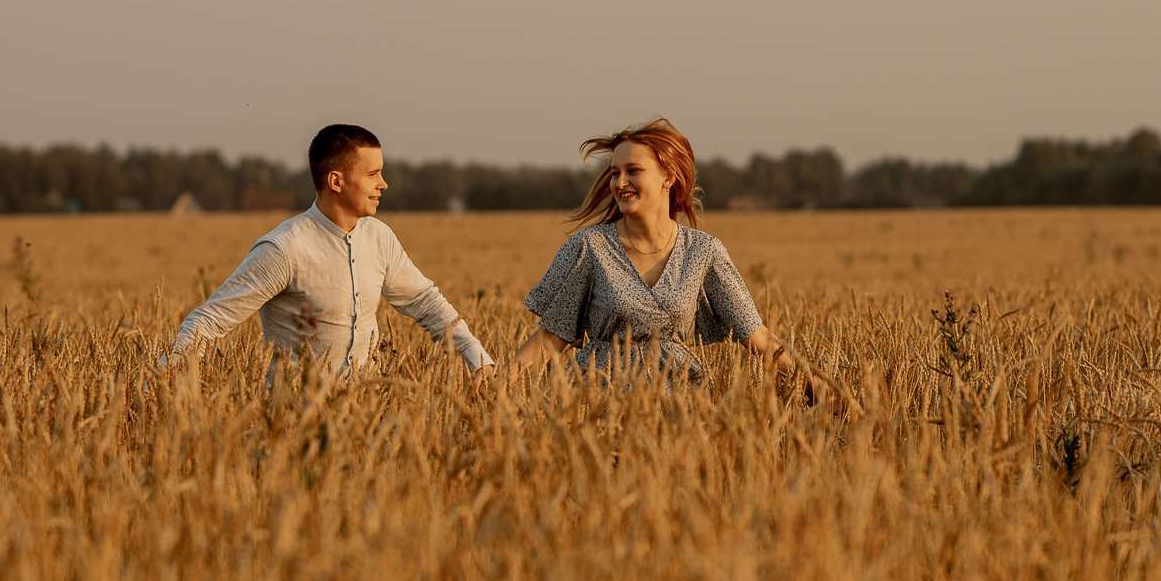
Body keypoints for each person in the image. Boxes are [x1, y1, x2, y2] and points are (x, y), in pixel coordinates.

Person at [507, 117, 832, 402]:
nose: (619, 183)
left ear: (668, 176)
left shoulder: (704, 251)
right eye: (615, 172)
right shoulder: (588, 247)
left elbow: (758, 338)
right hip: (596, 399)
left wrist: (818, 387)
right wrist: (500, 381)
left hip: (680, 403)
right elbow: (551, 337)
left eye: (633, 171)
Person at [172, 124, 493, 385]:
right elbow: (208, 321)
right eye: (372, 174)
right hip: (293, 421)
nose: (384, 184)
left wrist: (478, 359)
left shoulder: (379, 237)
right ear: (336, 181)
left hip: (364, 418)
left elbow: (426, 302)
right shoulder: (284, 248)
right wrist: (153, 391)